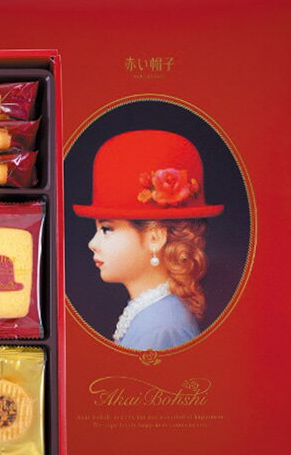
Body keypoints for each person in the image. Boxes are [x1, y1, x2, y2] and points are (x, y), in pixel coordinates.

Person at [73, 130, 223, 351]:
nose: (92, 243)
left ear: (155, 237)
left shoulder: (162, 328)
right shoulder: (152, 314)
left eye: (106, 229)